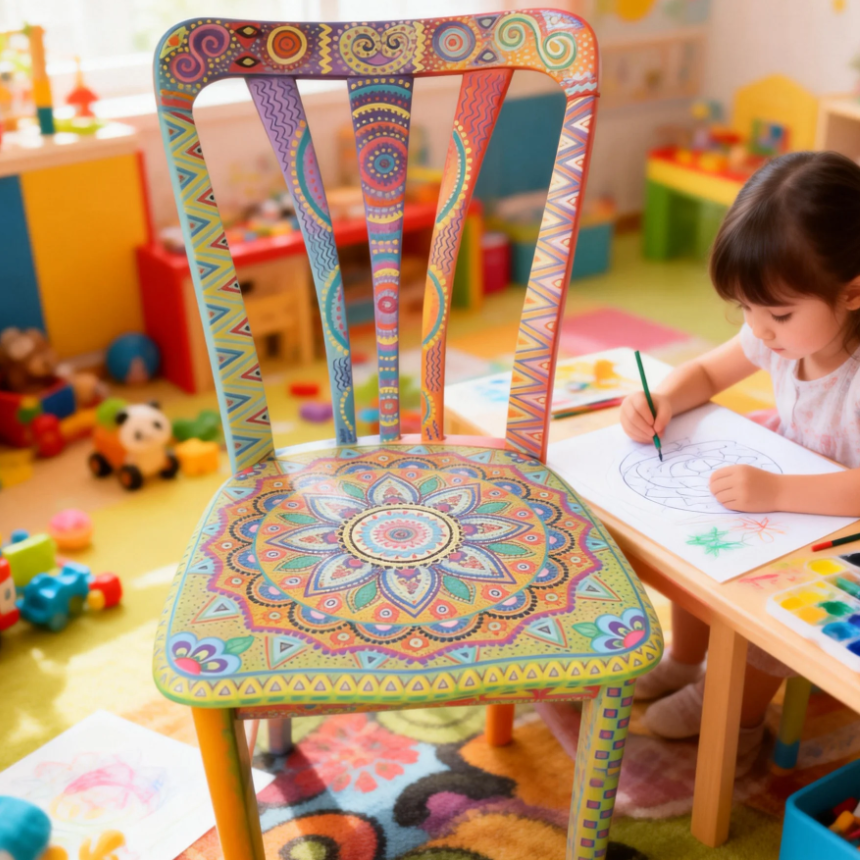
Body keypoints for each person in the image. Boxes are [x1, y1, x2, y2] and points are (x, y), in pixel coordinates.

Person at [620, 151, 860, 765]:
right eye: (745, 309)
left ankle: (737, 717)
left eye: (777, 313)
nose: (761, 329)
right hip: (785, 483)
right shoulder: (774, 327)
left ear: (853, 291)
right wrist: (663, 396)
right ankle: (685, 659)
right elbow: (704, 369)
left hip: (841, 522)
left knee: (771, 612)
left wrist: (778, 493)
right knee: (700, 531)